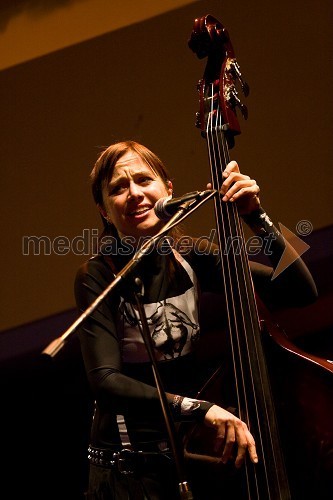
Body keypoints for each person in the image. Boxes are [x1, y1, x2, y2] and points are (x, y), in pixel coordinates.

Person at [74, 140, 317, 499]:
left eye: (144, 180)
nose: (135, 193)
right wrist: (200, 409)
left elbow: (301, 290)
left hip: (189, 459)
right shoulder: (95, 275)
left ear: (168, 190)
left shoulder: (194, 257)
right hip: (126, 473)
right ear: (104, 210)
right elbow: (105, 381)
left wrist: (256, 216)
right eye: (118, 188)